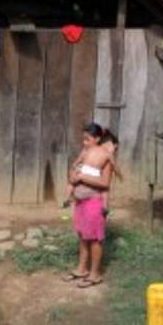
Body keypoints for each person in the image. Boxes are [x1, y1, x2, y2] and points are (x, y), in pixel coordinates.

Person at [63, 122, 113, 288]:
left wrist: (83, 178)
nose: (84, 143)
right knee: (83, 237)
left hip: (94, 202)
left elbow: (105, 183)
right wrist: (73, 175)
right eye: (83, 139)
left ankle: (95, 274)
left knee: (94, 240)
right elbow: (74, 169)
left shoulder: (105, 158)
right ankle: (81, 269)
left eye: (87, 139)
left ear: (97, 139)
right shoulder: (85, 154)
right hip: (81, 202)